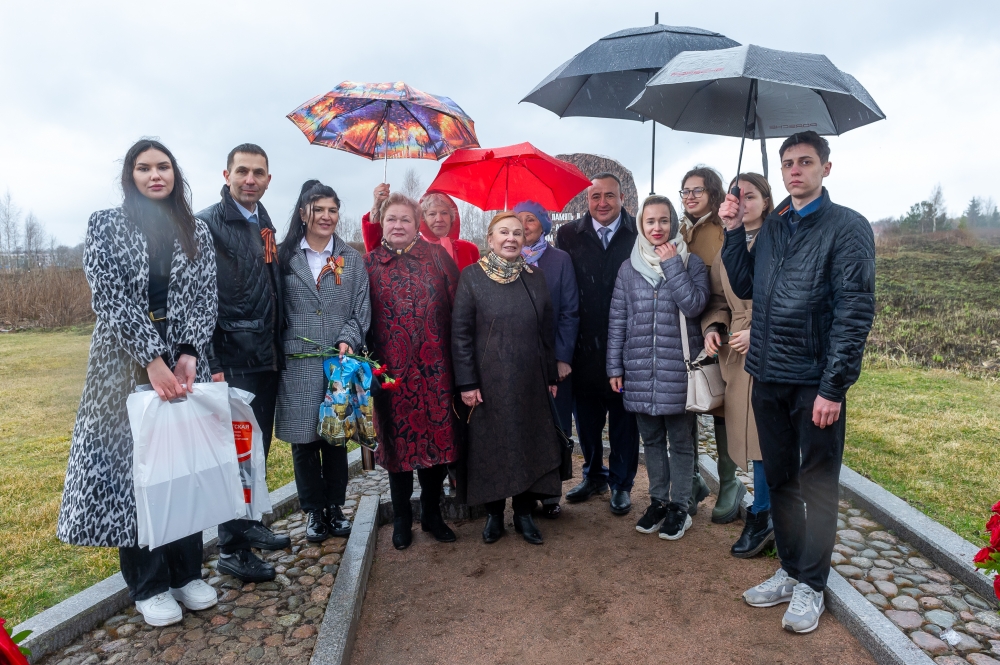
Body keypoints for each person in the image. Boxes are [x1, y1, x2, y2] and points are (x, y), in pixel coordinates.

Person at [57, 139, 219, 626]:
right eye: (144, 167)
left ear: (175, 173)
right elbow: (108, 294)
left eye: (163, 166)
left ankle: (186, 572)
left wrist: (189, 351)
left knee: (184, 467)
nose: (155, 175)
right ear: (130, 175)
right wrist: (151, 357)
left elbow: (205, 292)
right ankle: (148, 583)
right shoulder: (105, 224)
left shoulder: (197, 229)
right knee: (137, 474)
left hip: (185, 357)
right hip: (123, 361)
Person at [720, 131, 875, 633]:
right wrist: (732, 230)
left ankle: (812, 583)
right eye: (788, 163)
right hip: (767, 376)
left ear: (826, 168)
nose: (794, 171)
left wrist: (833, 387)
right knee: (781, 480)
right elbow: (745, 286)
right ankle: (789, 569)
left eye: (805, 162)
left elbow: (854, 312)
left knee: (818, 485)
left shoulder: (847, 227)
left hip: (814, 383)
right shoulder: (773, 226)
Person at [196, 144, 291, 582]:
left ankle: (247, 524)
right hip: (232, 358)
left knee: (256, 452)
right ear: (227, 174)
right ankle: (232, 548)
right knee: (234, 457)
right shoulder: (209, 225)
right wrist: (211, 361)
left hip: (265, 356)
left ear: (269, 179)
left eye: (258, 173)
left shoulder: (264, 221)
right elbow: (199, 300)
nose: (250, 179)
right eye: (242, 172)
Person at [452, 212, 563, 544]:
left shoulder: (535, 277)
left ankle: (525, 514)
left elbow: (546, 331)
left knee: (528, 444)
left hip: (530, 381)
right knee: (492, 448)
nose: (512, 237)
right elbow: (460, 335)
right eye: (504, 232)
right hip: (488, 383)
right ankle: (494, 516)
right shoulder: (471, 277)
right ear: (490, 239)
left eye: (518, 232)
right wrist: (467, 383)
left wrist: (550, 375)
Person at [606, 195, 709, 540]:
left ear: (673, 223)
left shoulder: (690, 263)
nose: (657, 228)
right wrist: (614, 366)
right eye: (650, 221)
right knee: (650, 440)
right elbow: (618, 319)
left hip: (677, 369)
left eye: (664, 221)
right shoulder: (627, 267)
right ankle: (658, 501)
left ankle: (681, 507)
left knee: (680, 442)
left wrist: (672, 266)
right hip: (638, 369)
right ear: (641, 225)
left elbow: (695, 306)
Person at [275, 181, 371, 543]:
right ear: (303, 213)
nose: (326, 216)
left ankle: (335, 506)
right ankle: (313, 512)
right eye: (319, 209)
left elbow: (361, 308)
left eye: (332, 210)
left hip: (337, 362)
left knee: (334, 439)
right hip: (296, 363)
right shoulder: (284, 257)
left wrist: (348, 338)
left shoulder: (350, 258)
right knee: (304, 442)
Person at [364, 192, 461, 550]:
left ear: (417, 223)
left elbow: (459, 310)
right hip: (391, 376)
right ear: (382, 224)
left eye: (406, 219)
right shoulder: (369, 264)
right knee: (398, 447)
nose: (399, 225)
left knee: (436, 444)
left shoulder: (437, 258)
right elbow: (360, 320)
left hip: (436, 372)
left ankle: (432, 514)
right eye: (392, 219)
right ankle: (403, 517)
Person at [556, 173, 641, 516]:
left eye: (609, 196)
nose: (602, 203)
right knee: (587, 421)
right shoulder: (568, 235)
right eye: (595, 197)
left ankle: (621, 483)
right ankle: (594, 475)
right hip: (584, 344)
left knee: (624, 420)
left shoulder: (638, 233)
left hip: (627, 343)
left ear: (622, 198)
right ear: (586, 200)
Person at [702, 173, 776, 558]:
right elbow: (717, 297)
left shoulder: (778, 241)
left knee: (762, 436)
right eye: (736, 194)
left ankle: (763, 514)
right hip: (734, 353)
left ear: (766, 201)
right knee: (745, 435)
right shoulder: (726, 246)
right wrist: (714, 325)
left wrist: (759, 331)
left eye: (750, 195)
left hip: (768, 348)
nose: (742, 201)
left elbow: (784, 297)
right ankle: (759, 505)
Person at [679, 166, 742, 523]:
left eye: (697, 190)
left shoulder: (721, 229)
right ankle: (690, 480)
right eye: (684, 191)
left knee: (719, 403)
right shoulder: (678, 229)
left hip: (716, 327)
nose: (689, 197)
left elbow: (725, 283)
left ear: (713, 192)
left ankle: (730, 482)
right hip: (680, 330)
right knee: (684, 403)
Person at [514, 200, 579, 519]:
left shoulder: (559, 260)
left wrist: (563, 357)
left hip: (553, 360)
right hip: (515, 362)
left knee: (555, 425)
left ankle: (551, 493)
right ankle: (523, 490)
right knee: (522, 424)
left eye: (531, 220)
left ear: (543, 225)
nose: (524, 226)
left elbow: (569, 311)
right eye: (518, 220)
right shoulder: (503, 260)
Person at [362, 184, 480, 270]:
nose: (439, 219)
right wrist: (376, 207)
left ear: (452, 217)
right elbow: (376, 253)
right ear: (422, 218)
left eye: (444, 213)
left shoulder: (469, 249)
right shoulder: (411, 247)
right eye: (432, 214)